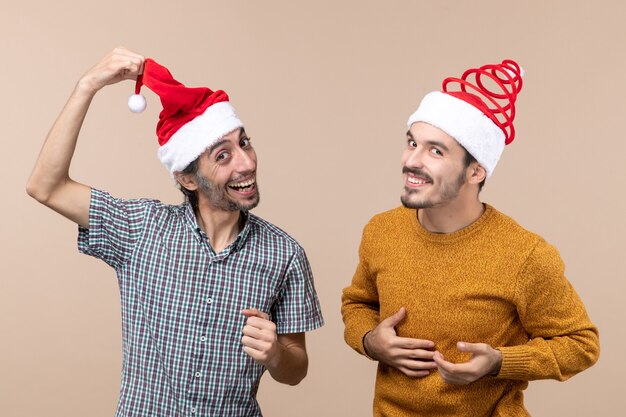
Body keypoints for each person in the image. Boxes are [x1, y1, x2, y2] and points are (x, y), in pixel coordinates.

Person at [26, 47, 324, 417]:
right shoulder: (141, 229)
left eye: (244, 143)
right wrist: (87, 86)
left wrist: (277, 353)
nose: (247, 163)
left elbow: (297, 369)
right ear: (186, 178)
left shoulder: (285, 254)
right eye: (222, 155)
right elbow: (46, 186)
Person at [341, 60, 599, 416]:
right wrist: (370, 341)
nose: (411, 161)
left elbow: (581, 344)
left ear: (476, 171)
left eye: (435, 151)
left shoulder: (524, 254)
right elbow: (358, 304)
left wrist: (499, 362)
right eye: (412, 142)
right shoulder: (382, 231)